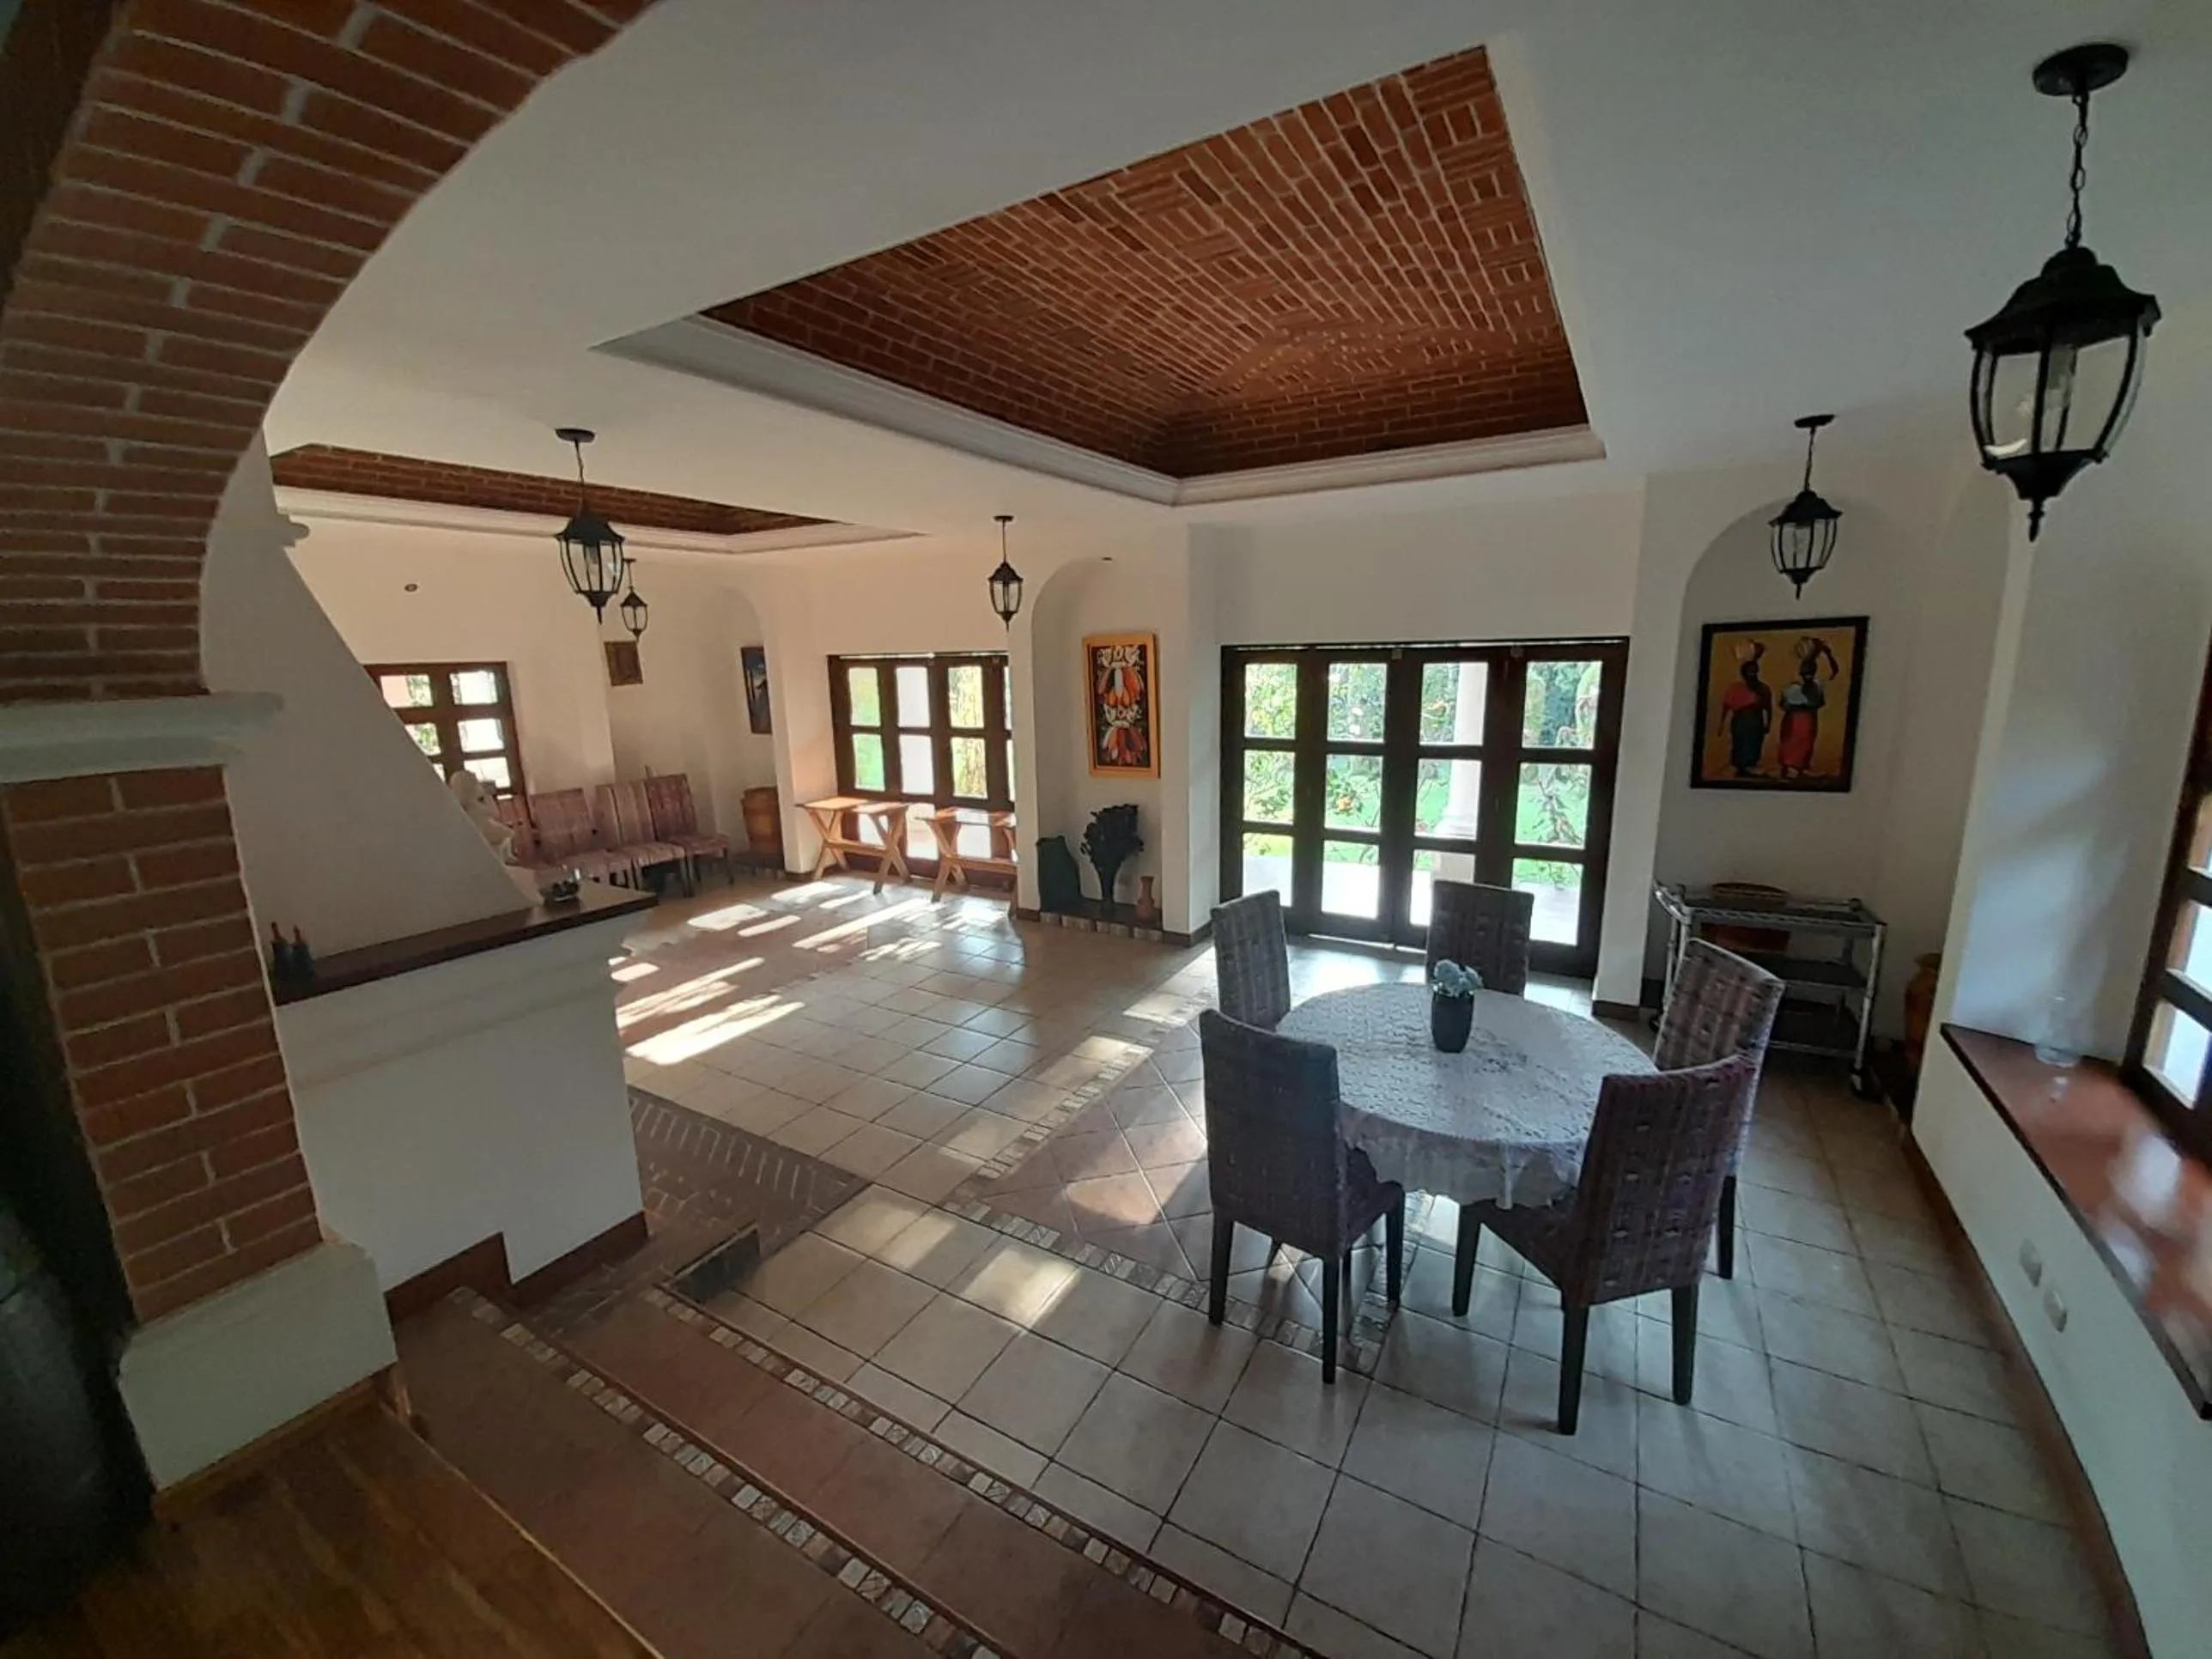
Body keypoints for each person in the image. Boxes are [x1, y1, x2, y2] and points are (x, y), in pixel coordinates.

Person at [1776, 637, 1840, 779]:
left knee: (1806, 742)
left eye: (1811, 671)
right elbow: (1783, 704)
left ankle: (1800, 767)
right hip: (1796, 719)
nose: (1808, 674)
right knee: (1792, 741)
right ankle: (1790, 767)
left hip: (1808, 719)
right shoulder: (1793, 688)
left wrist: (1828, 654)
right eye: (1806, 671)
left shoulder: (1817, 685)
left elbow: (1833, 672)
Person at [1717, 643, 1771, 777]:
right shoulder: (1735, 688)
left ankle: (1750, 767)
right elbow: (1726, 706)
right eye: (1749, 672)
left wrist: (1768, 723)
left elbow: (1768, 707)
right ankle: (1742, 769)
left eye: (1754, 671)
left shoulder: (1763, 688)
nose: (1752, 674)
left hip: (1756, 721)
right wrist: (1721, 725)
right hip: (1741, 722)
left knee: (1755, 744)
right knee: (1741, 744)